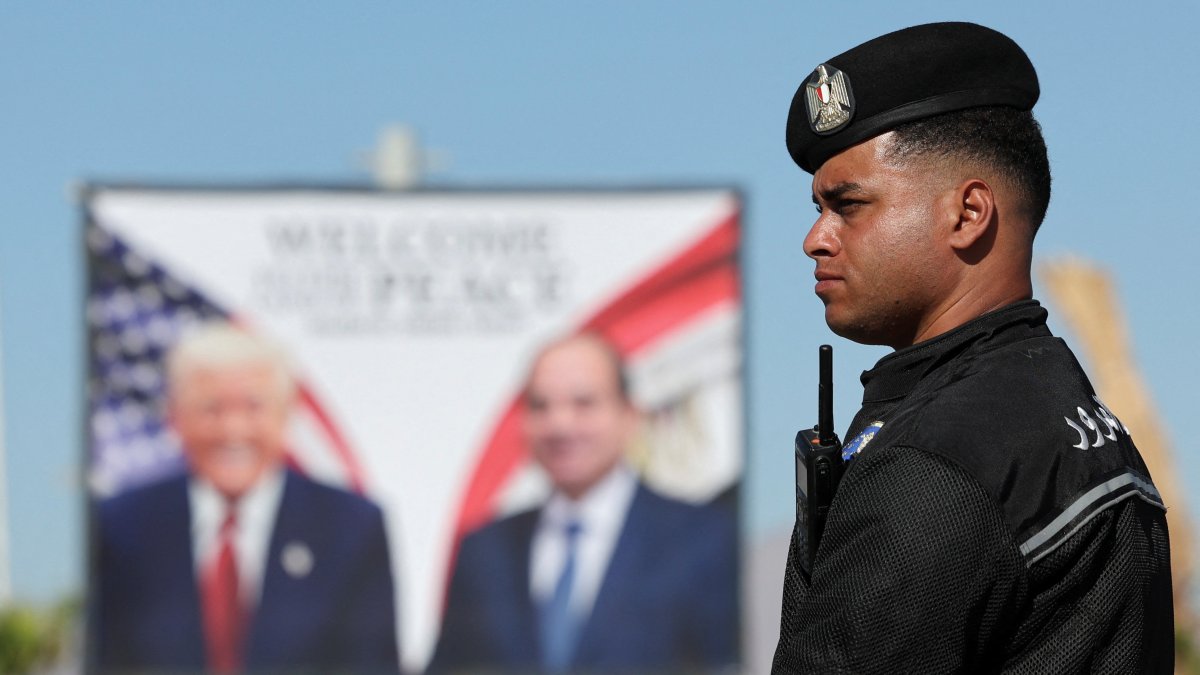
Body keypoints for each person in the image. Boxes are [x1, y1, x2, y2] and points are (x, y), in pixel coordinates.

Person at [773, 21, 1174, 673]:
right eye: (819, 206)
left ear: (968, 214)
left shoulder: (935, 464)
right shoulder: (1063, 407)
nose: (816, 238)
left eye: (848, 204)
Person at [93, 323, 399, 673]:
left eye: (253, 407)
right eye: (211, 408)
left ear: (286, 415)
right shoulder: (123, 525)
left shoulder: (351, 528)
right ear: (175, 417)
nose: (232, 429)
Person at [429, 333, 738, 673]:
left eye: (584, 403)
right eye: (540, 406)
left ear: (630, 415)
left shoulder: (703, 539)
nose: (560, 424)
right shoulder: (485, 550)